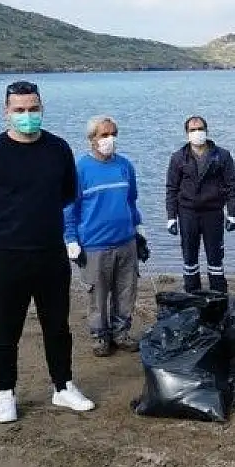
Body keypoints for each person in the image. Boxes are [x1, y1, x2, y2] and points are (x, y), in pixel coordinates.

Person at [0, 80, 95, 423]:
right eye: (19, 110)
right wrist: (7, 218)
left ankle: (63, 386)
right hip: (7, 254)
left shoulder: (58, 149)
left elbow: (67, 193)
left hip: (51, 252)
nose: (27, 115)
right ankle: (4, 392)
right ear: (6, 112)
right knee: (5, 327)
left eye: (33, 109)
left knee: (57, 325)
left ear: (42, 108)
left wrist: (39, 216)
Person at [63, 115, 149, 358]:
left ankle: (121, 333)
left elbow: (131, 201)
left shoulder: (125, 166)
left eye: (113, 134)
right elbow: (69, 209)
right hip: (94, 244)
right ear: (92, 139)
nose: (110, 139)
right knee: (98, 295)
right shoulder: (80, 170)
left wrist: (138, 229)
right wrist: (71, 240)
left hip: (126, 241)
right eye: (104, 135)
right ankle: (100, 336)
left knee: (126, 290)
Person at [165, 115, 235, 294]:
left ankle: (219, 296)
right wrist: (171, 218)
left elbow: (231, 186)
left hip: (213, 212)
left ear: (207, 131)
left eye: (200, 129)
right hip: (187, 213)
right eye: (193, 130)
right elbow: (171, 189)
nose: (197, 133)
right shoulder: (178, 158)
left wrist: (232, 213)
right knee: (189, 258)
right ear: (187, 134)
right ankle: (192, 294)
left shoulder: (222, 156)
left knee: (215, 258)